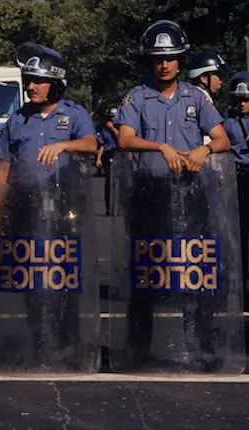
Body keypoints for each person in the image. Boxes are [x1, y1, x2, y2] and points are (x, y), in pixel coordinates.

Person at [115, 20, 229, 370]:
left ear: (181, 60)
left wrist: (204, 151)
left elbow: (223, 138)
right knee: (146, 273)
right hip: (150, 194)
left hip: (190, 193)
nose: (164, 65)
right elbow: (124, 139)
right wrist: (160, 146)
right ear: (149, 61)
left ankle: (201, 348)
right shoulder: (136, 96)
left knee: (195, 271)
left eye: (171, 58)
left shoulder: (197, 98)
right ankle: (138, 350)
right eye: (157, 58)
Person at [0, 42, 96, 367]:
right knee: (31, 279)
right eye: (27, 80)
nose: (30, 87)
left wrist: (64, 144)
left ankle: (69, 344)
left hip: (64, 209)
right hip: (25, 208)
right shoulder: (17, 120)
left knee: (64, 278)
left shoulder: (74, 115)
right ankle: (40, 345)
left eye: (37, 80)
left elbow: (91, 144)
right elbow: (1, 168)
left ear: (56, 83)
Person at [223, 72, 249, 309]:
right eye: (239, 99)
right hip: (237, 179)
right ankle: (240, 283)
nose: (242, 103)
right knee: (237, 234)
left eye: (246, 99)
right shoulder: (227, 124)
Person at [95, 106, 119, 216]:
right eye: (111, 117)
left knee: (119, 183)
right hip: (107, 155)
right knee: (108, 181)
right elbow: (103, 145)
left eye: (114, 117)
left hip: (118, 154)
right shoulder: (104, 129)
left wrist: (114, 128)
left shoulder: (121, 126)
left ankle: (118, 207)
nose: (112, 119)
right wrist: (98, 159)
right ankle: (108, 207)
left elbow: (123, 138)